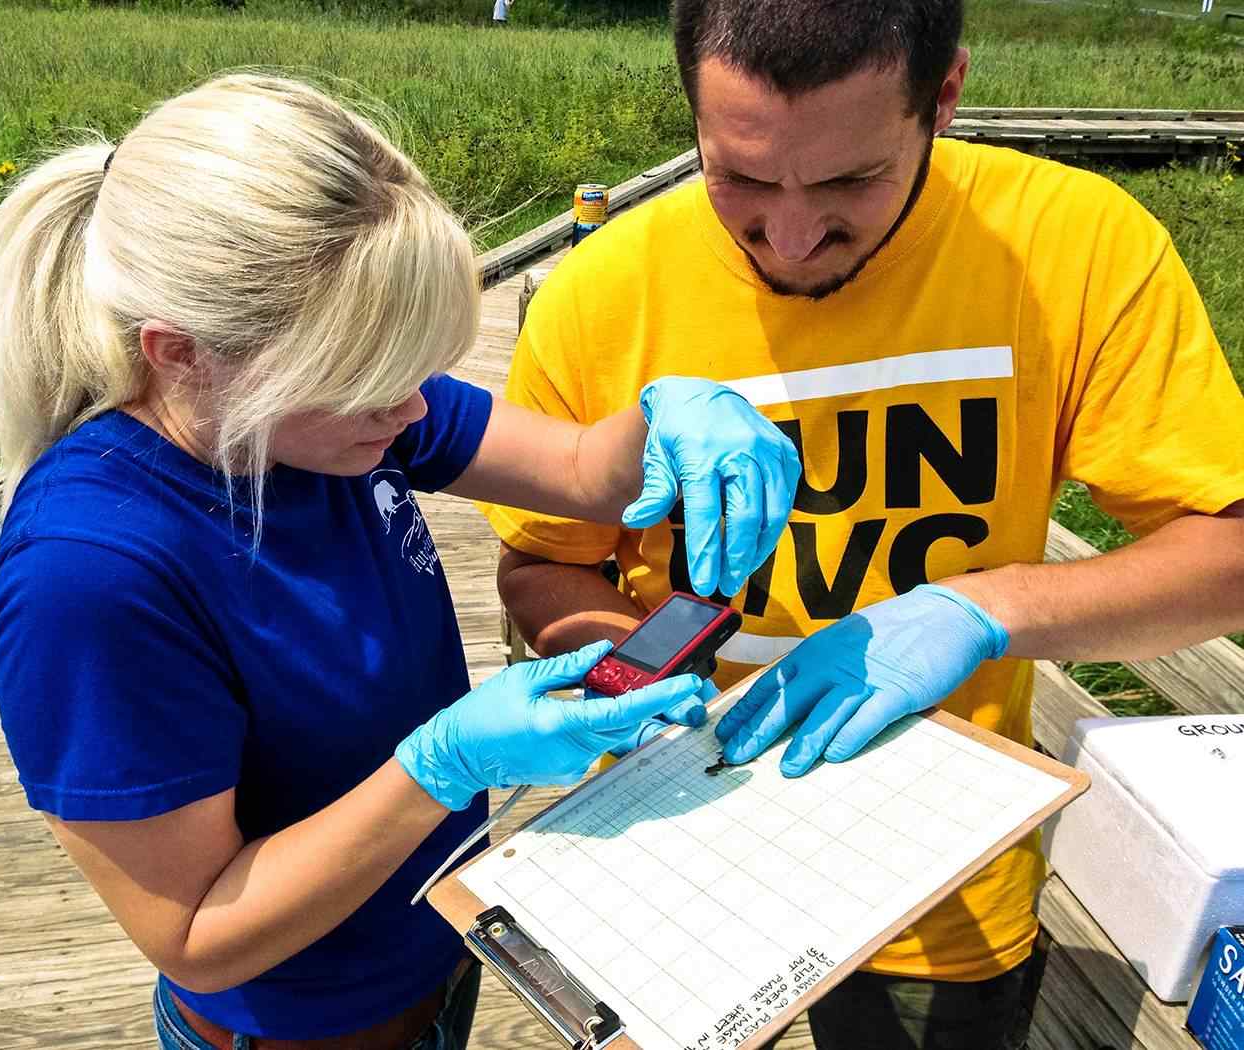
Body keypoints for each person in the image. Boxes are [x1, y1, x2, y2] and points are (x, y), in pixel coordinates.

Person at [0, 74, 798, 1050]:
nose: (413, 413)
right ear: (183, 353)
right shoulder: (89, 576)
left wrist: (668, 416)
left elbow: (579, 470)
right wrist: (444, 767)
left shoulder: (331, 411)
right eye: (369, 382)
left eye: (418, 368)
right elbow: (194, 931)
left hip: (439, 944)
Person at [481, 2, 1244, 1047]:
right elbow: (536, 568)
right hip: (664, 844)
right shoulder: (602, 288)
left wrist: (983, 607)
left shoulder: (1073, 245)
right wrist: (631, 666)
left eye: (850, 181)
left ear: (944, 96)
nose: (789, 236)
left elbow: (1226, 555)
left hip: (932, 882)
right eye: (738, 178)